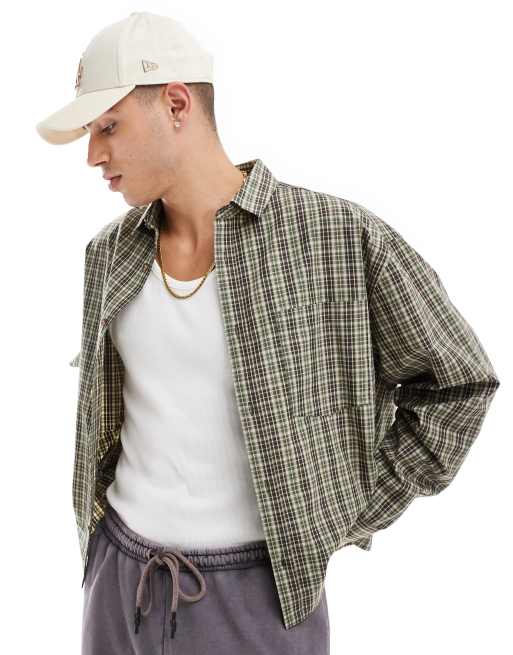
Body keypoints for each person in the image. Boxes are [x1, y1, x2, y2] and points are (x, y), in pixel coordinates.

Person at [36, 10, 500, 655]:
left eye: (108, 126)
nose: (93, 155)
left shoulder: (333, 238)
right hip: (119, 578)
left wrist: (339, 514)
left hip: (255, 596)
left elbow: (460, 382)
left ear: (177, 104)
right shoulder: (109, 254)